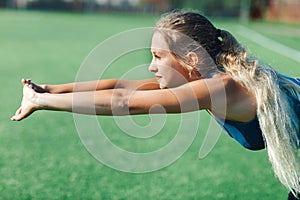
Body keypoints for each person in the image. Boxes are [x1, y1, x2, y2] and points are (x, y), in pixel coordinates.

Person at [11, 10, 300, 199]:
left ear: (192, 60)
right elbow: (120, 87)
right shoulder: (212, 80)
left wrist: (43, 102)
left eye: (159, 57)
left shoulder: (221, 88)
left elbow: (126, 103)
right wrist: (48, 89)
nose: (151, 67)